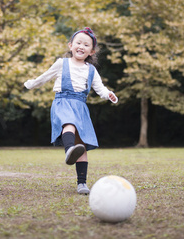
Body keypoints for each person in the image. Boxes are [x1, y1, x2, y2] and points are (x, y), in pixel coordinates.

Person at [24, 27, 118, 195]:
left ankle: (81, 183)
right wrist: (32, 83)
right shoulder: (62, 63)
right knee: (69, 124)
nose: (81, 46)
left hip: (80, 107)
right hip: (63, 102)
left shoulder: (91, 70)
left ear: (91, 50)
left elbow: (100, 88)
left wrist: (109, 94)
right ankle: (69, 151)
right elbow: (45, 77)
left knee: (81, 145)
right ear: (70, 45)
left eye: (86, 44)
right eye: (78, 43)